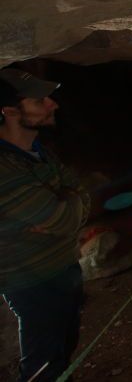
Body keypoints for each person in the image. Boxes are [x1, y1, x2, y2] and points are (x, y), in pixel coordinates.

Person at [0, 68, 90, 382]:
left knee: (63, 346)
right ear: (10, 111)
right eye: (39, 101)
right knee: (42, 363)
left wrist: (66, 203)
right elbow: (60, 217)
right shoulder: (4, 167)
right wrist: (65, 204)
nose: (53, 104)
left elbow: (79, 197)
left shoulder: (38, 151)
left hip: (64, 266)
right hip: (29, 280)